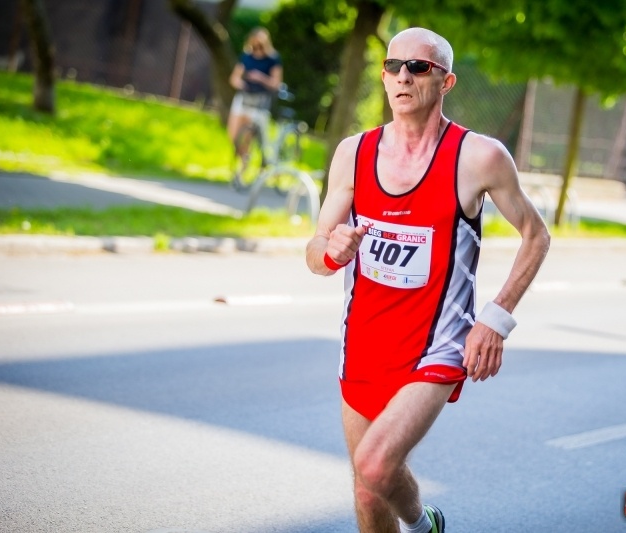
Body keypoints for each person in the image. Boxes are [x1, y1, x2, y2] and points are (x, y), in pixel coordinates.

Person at [305, 27, 550, 533]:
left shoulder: (478, 158)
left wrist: (496, 320)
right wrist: (329, 252)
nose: (403, 77)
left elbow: (535, 235)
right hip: (365, 344)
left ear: (446, 82)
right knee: (367, 495)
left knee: (375, 467)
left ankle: (423, 525)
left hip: (437, 348)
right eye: (393, 66)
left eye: (419, 68)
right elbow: (314, 250)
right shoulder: (355, 153)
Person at [226, 27, 283, 154]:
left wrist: (260, 78)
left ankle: (242, 167)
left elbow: (276, 83)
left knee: (247, 137)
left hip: (260, 101)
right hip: (244, 97)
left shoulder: (273, 59)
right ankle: (239, 160)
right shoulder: (247, 57)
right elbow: (234, 78)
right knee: (233, 135)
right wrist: (242, 84)